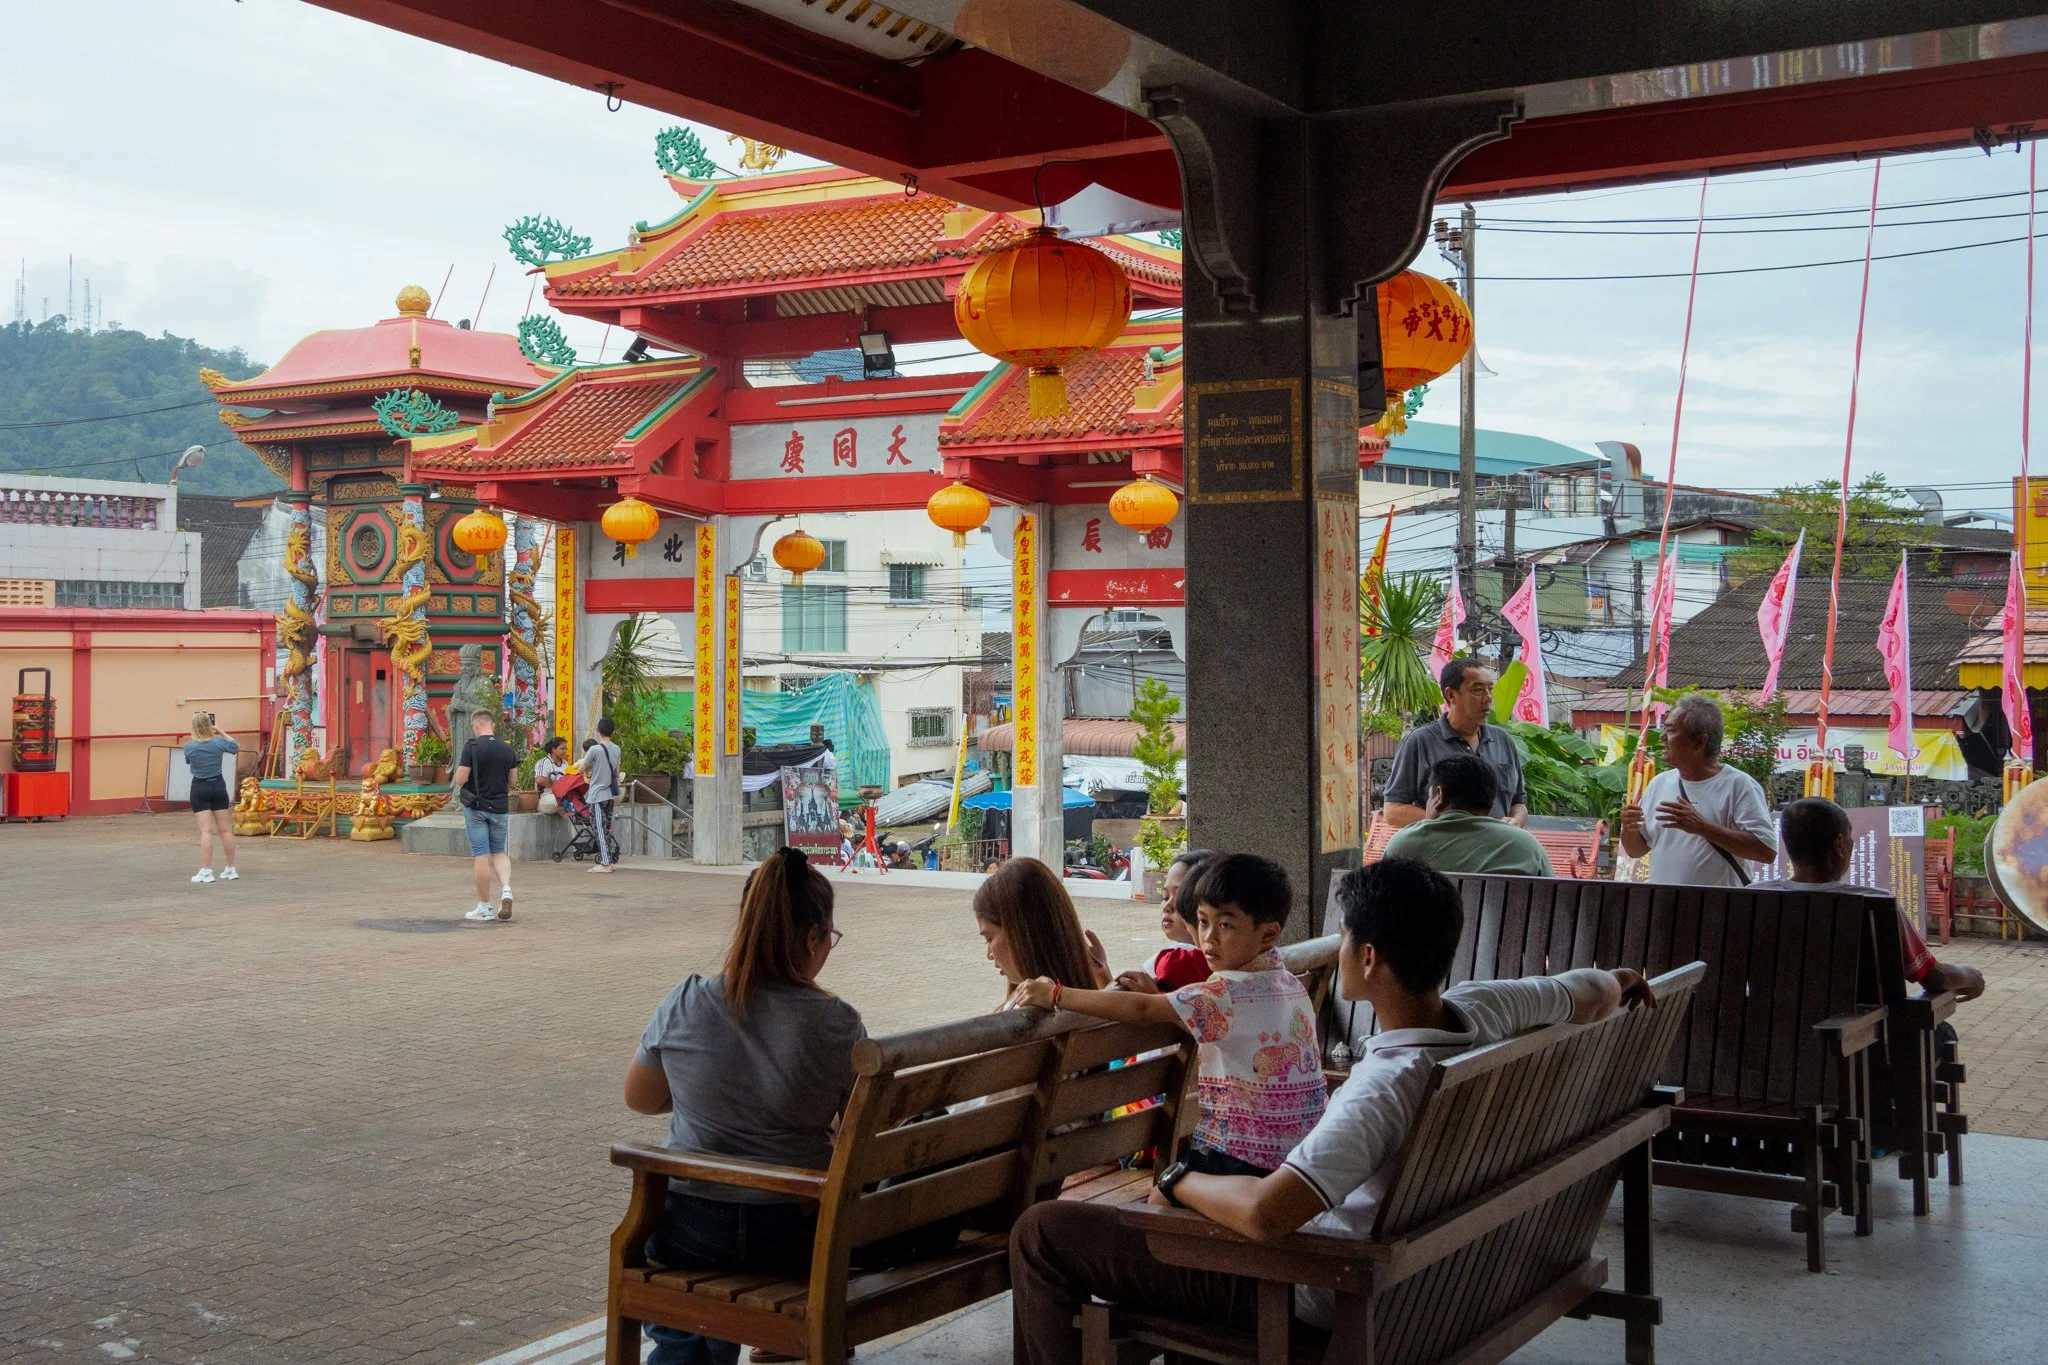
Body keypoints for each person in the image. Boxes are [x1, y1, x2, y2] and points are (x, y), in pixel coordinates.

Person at [1007, 857, 1656, 1365]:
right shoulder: (1485, 1005)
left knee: (1042, 1232)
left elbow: (1268, 1213)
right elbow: (1586, 990)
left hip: (1313, 1284)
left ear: (1367, 957)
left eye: (1346, 937)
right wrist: (1624, 976)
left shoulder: (1388, 1085)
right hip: (1459, 1272)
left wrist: (1180, 1179)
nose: (1340, 947)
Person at [623, 847, 863, 1365]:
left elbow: (639, 1099)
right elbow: (856, 1131)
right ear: (811, 938)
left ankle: (683, 1348)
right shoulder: (838, 1023)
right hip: (794, 1234)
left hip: (691, 1226)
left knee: (686, 1320)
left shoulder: (687, 1001)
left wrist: (703, 1095)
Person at [1015, 853, 1324, 1176]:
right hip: (1299, 1153)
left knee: (1165, 1194)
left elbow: (1143, 1008)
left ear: (1268, 934)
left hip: (1240, 1157)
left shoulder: (1224, 993)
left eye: (1226, 925)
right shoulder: (1290, 984)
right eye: (1203, 921)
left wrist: (1056, 994)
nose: (1209, 938)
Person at [1755, 798, 1986, 1002]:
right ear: (1838, 845)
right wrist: (1971, 976)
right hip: (1858, 1040)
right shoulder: (1875, 903)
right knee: (1943, 1034)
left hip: (1765, 1038)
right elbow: (1933, 977)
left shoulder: (1753, 898)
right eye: (1849, 839)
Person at [1619, 692, 1777, 886]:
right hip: (1664, 907)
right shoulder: (1658, 783)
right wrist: (1629, 829)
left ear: (1699, 741)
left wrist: (1701, 827)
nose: (1662, 737)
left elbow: (1766, 852)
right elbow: (1636, 850)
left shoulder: (1739, 785)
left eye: (1670, 730)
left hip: (1719, 911)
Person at [1381, 658, 1529, 828]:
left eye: (1490, 689)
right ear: (1451, 695)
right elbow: (1393, 811)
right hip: (1442, 851)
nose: (1488, 698)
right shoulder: (1420, 742)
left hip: (1498, 850)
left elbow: (1519, 803)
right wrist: (1454, 826)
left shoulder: (1503, 741)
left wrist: (1516, 820)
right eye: (1478, 690)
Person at [1382, 755, 1555, 876]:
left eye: (1429, 795)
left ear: (1439, 795)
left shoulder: (1402, 845)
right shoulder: (1526, 847)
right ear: (1489, 800)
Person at [972, 858, 1111, 1006]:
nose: (989, 954)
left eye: (989, 938)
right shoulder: (1094, 1008)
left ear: (1022, 933)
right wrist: (1105, 982)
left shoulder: (1031, 1010)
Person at [451, 711, 517, 923]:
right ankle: (506, 889)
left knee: (481, 854)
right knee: (499, 851)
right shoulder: (507, 748)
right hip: (500, 807)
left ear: (475, 726)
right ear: (492, 725)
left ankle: (485, 907)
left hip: (478, 808)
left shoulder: (472, 747)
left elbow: (461, 779)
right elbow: (513, 781)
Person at [1146, 847, 1218, 992]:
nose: (1167, 906)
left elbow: (1120, 1005)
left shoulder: (1175, 958)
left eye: (1180, 897)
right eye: (1165, 897)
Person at [183, 712, 240, 884]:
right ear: (210, 725)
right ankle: (231, 868)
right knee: (225, 830)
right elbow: (235, 746)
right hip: (218, 786)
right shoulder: (219, 744)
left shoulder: (189, 747)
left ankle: (206, 870)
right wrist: (219, 730)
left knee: (206, 831)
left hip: (200, 787)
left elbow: (188, 762)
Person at [584, 716, 623, 873]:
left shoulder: (594, 749)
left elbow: (582, 768)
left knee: (599, 828)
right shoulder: (616, 749)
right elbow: (617, 773)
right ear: (612, 732)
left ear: (598, 731)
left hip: (597, 795)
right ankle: (607, 860)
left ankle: (605, 864)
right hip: (609, 795)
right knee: (606, 828)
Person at [533, 736, 570, 814]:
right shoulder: (544, 762)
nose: (565, 751)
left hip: (561, 796)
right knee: (560, 800)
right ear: (553, 749)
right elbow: (539, 780)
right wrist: (558, 785)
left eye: (565, 749)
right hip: (545, 797)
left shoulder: (565, 764)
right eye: (562, 749)